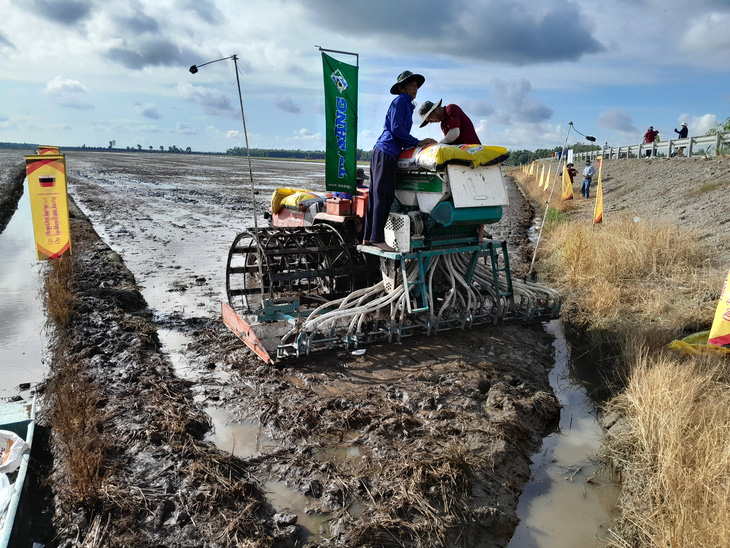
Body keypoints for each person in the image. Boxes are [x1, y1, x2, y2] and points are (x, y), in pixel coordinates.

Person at [364, 71, 437, 251]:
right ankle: (377, 238)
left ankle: (367, 236)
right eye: (411, 86)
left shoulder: (406, 104)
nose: (414, 89)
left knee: (376, 195)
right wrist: (418, 142)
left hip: (384, 152)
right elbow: (396, 129)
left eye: (416, 86)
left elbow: (399, 131)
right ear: (402, 88)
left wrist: (412, 144)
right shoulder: (400, 101)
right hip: (386, 151)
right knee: (384, 195)